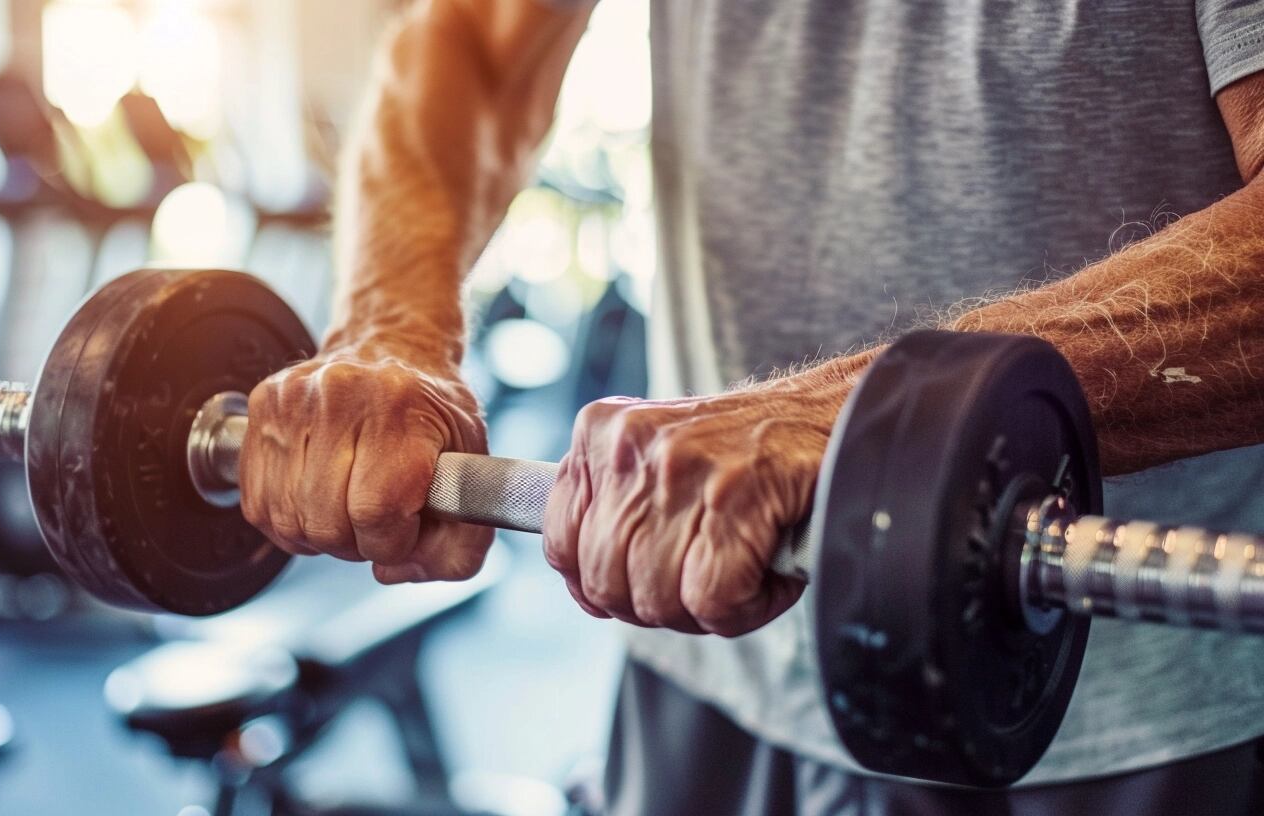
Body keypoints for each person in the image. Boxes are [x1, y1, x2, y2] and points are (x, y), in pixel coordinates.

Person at [239, 1, 1264, 812]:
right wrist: (388, 330)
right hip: (707, 660)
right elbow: (473, 38)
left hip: (1109, 699)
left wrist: (853, 422)